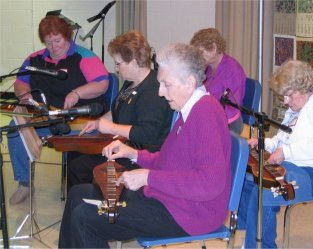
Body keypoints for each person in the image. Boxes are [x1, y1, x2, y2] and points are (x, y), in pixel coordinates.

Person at [58, 43, 232, 248]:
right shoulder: (189, 109)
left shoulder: (205, 113)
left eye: (166, 84)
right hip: (170, 198)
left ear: (190, 82)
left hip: (189, 213)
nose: (160, 92)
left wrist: (148, 176)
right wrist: (135, 155)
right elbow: (169, 160)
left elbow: (209, 183)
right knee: (78, 194)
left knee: (86, 218)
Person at [238, 60, 313, 248]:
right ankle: (251, 236)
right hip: (299, 165)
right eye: (284, 98)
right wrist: (267, 144)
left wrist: (286, 152)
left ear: (303, 87)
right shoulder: (300, 105)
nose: (287, 102)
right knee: (249, 177)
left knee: (268, 185)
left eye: (289, 96)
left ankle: (259, 246)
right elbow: (285, 136)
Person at [7, 15, 109, 205]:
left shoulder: (84, 56)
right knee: (15, 129)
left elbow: (102, 84)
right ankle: (25, 184)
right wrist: (25, 95)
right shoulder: (34, 59)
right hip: (46, 116)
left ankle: (79, 189)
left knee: (84, 145)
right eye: (48, 43)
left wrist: (77, 93)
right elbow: (20, 82)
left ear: (67, 36)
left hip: (79, 119)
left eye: (58, 40)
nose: (54, 47)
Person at [66, 30, 173, 192]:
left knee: (79, 168)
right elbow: (117, 110)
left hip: (140, 155)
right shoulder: (131, 82)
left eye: (118, 63)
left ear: (135, 62)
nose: (116, 69)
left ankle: (86, 208)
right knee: (75, 154)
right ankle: (84, 205)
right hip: (124, 145)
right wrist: (98, 122)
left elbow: (147, 134)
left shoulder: (153, 90)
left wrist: (109, 127)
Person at [190, 28, 246, 134]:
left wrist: (206, 120)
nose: (198, 56)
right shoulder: (208, 67)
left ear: (214, 48)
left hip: (228, 122)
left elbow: (231, 109)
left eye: (201, 52)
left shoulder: (232, 71)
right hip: (209, 115)